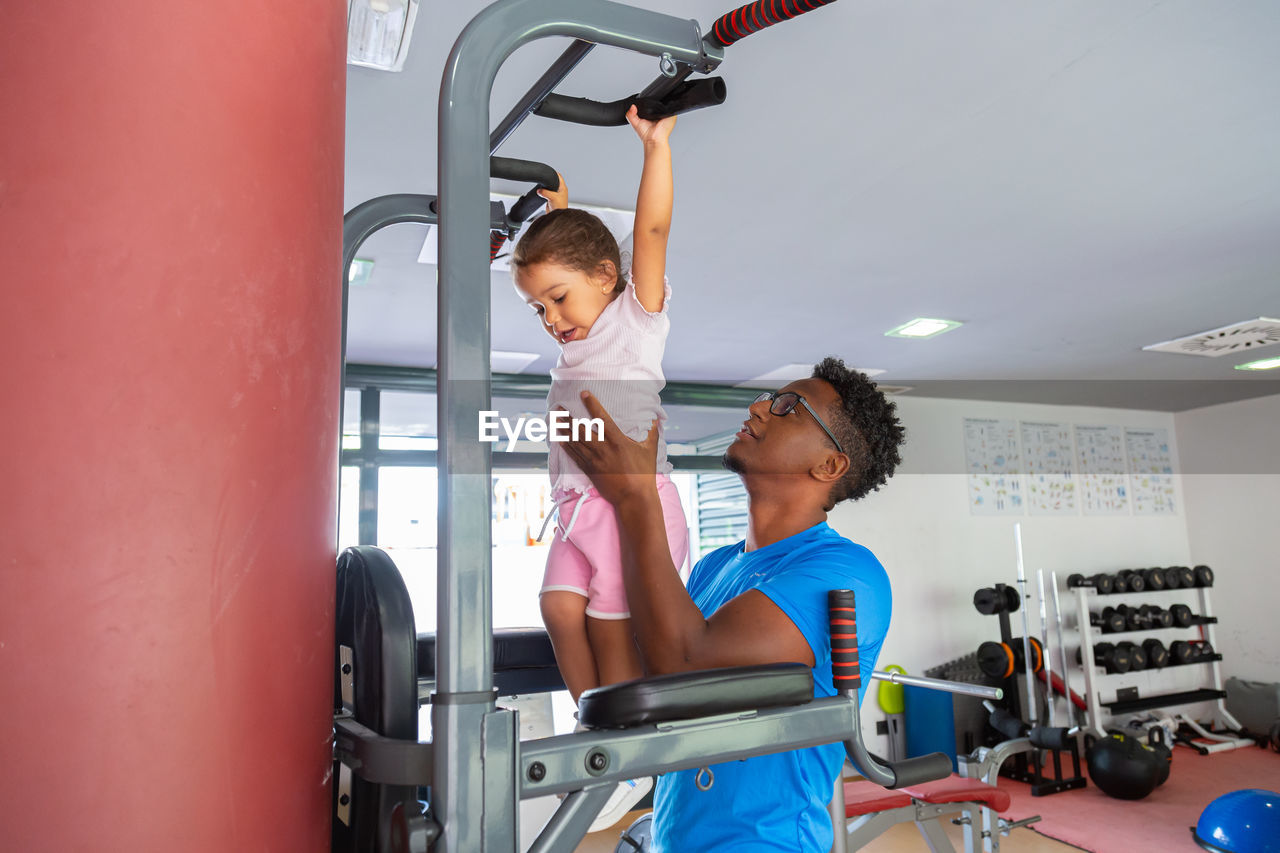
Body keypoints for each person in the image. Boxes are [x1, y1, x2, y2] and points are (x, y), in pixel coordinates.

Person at [560, 357, 906, 851]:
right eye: (769, 398)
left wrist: (637, 498)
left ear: (829, 465)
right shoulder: (715, 567)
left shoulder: (847, 573)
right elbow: (642, 681)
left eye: (788, 407)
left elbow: (682, 663)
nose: (759, 407)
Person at [510, 105, 690, 829]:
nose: (552, 318)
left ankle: (623, 754)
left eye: (558, 298)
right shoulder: (573, 347)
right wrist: (554, 215)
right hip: (581, 512)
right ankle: (597, 729)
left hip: (632, 509)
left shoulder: (634, 321)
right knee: (556, 608)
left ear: (606, 276)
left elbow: (650, 232)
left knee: (613, 631)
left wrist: (656, 150)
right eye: (539, 309)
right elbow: (566, 255)